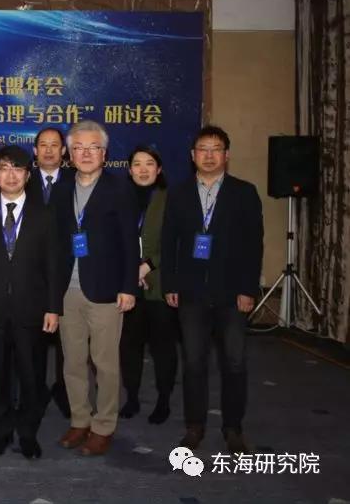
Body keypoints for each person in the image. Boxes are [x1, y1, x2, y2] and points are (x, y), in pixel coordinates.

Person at [162, 125, 263, 453]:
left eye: (215, 149)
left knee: (234, 362)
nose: (208, 155)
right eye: (202, 150)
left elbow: (253, 245)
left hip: (232, 294)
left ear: (226, 155)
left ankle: (233, 427)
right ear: (192, 156)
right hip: (190, 293)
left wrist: (248, 289)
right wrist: (170, 284)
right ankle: (195, 426)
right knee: (194, 363)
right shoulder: (179, 193)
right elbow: (169, 242)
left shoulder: (244, 192)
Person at [0, 146, 61, 460]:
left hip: (31, 309)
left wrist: (53, 308)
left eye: (18, 169)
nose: (11, 175)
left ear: (28, 175)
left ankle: (28, 433)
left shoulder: (44, 215)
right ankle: (2, 430)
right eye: (4, 169)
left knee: (31, 374)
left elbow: (53, 266)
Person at [54, 120, 139, 456]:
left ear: (104, 153)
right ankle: (80, 420)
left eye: (93, 148)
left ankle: (104, 426)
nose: (86, 153)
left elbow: (130, 243)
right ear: (69, 154)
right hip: (67, 290)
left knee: (105, 364)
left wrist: (128, 286)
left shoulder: (120, 189)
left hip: (106, 291)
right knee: (72, 362)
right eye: (78, 148)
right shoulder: (61, 188)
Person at [119, 145, 178, 424]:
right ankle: (131, 397)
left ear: (159, 169)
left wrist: (147, 265)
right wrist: (131, 268)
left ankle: (163, 400)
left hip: (160, 284)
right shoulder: (121, 198)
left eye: (149, 164)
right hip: (128, 284)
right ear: (129, 170)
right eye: (137, 164)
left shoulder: (171, 199)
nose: (143, 169)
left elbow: (178, 241)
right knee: (129, 346)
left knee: (163, 347)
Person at [25, 126, 74, 418]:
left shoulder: (75, 180)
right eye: (43, 145)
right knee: (34, 338)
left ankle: (65, 389)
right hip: (29, 272)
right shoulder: (22, 179)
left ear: (63, 151)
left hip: (68, 269)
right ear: (35, 151)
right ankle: (36, 391)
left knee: (68, 339)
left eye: (54, 145)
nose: (48, 150)